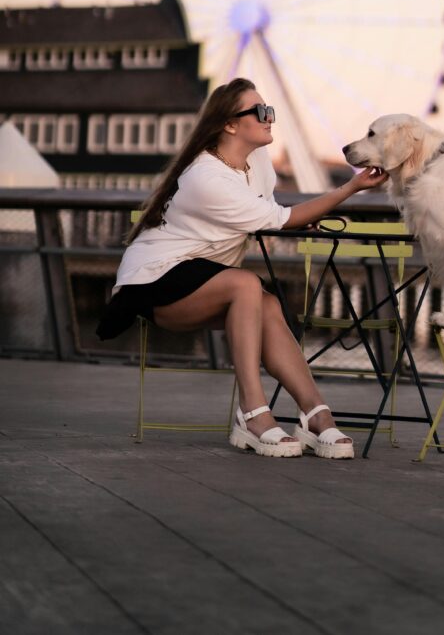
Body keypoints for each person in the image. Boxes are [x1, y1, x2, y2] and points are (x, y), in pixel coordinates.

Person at [96, 78, 388, 459]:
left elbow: (269, 213)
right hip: (154, 281)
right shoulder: (205, 177)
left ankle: (316, 415)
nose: (270, 119)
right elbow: (278, 219)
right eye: (261, 112)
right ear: (231, 124)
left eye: (271, 111)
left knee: (265, 303)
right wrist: (348, 189)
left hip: (203, 276)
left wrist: (298, 218)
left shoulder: (258, 161)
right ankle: (252, 413)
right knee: (247, 285)